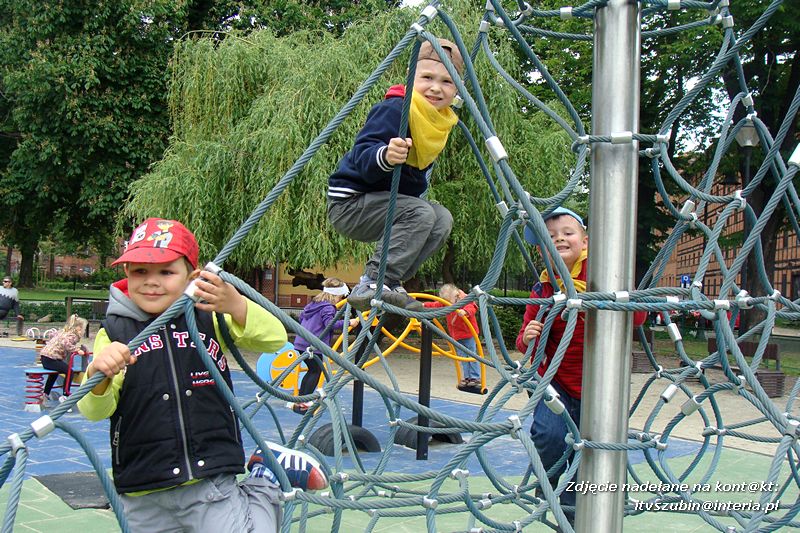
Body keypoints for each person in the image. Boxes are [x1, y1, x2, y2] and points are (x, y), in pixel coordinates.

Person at [77, 218, 327, 533]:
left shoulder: (207, 317)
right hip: (142, 487)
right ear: (126, 272)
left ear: (192, 277)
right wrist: (98, 375)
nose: (151, 282)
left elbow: (274, 339)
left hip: (208, 476)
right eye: (140, 271)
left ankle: (266, 478)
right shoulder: (115, 331)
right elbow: (93, 410)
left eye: (166, 272)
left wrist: (236, 304)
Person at [516, 207, 645, 524]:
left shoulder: (601, 275)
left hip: (599, 386)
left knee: (591, 452)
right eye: (550, 237)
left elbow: (638, 317)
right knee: (548, 435)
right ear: (541, 250)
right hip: (556, 382)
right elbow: (524, 342)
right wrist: (529, 336)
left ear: (585, 241)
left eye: (567, 233)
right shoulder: (544, 289)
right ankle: (549, 483)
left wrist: (609, 301)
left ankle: (577, 513)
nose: (559, 239)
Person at [328, 38, 465, 312]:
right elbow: (362, 155)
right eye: (427, 77)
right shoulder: (396, 109)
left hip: (382, 206)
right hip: (350, 203)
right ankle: (374, 281)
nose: (436, 88)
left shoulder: (437, 122)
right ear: (410, 76)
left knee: (441, 219)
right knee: (421, 213)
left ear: (458, 89)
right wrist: (386, 155)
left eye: (447, 82)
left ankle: (391, 280)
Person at [292, 278, 359, 414]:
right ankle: (304, 402)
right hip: (313, 344)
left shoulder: (314, 303)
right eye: (340, 297)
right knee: (315, 371)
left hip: (301, 342)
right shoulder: (328, 307)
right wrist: (348, 322)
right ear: (335, 295)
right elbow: (330, 324)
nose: (340, 299)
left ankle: (300, 400)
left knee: (312, 370)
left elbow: (301, 318)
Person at [422, 283, 481, 388]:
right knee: (462, 356)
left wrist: (465, 311)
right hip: (457, 335)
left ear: (457, 294)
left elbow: (472, 307)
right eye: (447, 301)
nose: (450, 303)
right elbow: (436, 305)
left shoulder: (465, 299)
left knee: (471, 354)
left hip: (468, 333)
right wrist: (424, 305)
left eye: (451, 300)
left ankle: (475, 377)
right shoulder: (448, 302)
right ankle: (467, 377)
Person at [39, 314, 88, 405]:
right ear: (78, 328)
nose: (84, 332)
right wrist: (77, 350)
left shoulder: (65, 332)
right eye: (84, 329)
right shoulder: (72, 335)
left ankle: (45, 394)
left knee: (54, 373)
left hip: (45, 357)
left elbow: (55, 337)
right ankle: (65, 395)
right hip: (51, 358)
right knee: (69, 371)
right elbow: (66, 343)